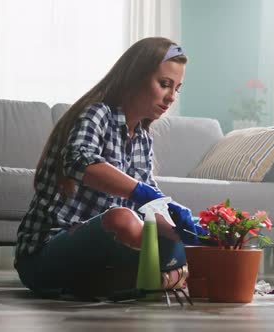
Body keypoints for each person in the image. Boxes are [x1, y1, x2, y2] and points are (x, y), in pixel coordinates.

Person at [14, 37, 203, 297]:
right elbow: (79, 161)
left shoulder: (143, 137)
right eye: (164, 84)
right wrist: (141, 191)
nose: (171, 97)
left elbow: (148, 210)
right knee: (123, 218)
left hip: (94, 256)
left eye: (177, 89)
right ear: (135, 77)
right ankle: (164, 277)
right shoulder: (96, 113)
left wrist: (179, 228)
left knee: (180, 236)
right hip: (45, 255)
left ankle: (130, 280)